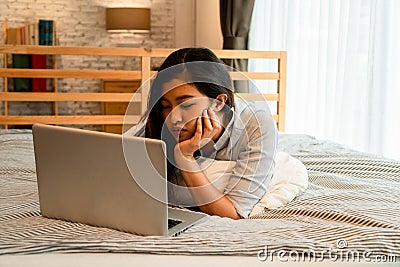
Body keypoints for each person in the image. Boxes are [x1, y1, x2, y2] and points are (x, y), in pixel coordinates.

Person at [124, 47, 277, 219]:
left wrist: (185, 157)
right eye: (166, 106)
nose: (173, 118)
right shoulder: (157, 124)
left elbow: (234, 213)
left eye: (186, 105)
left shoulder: (256, 126)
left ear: (218, 102)